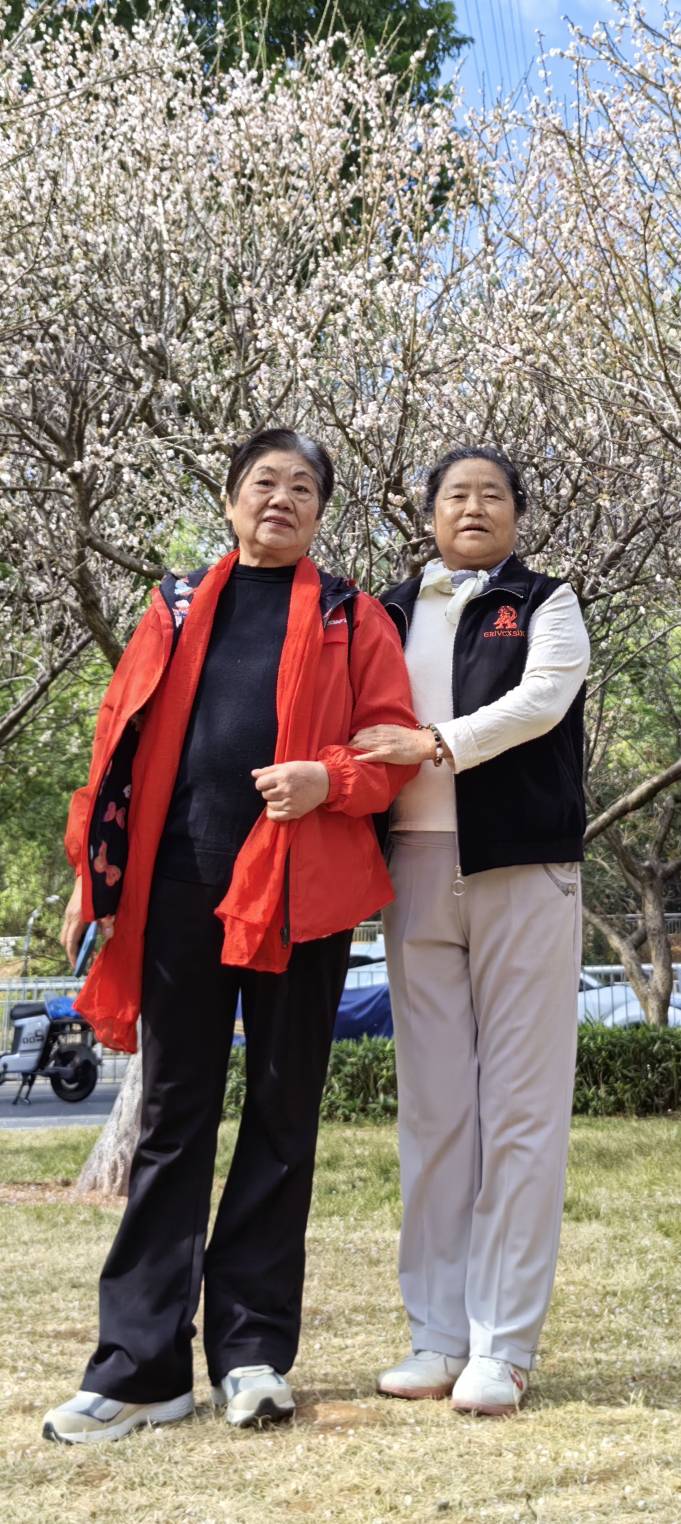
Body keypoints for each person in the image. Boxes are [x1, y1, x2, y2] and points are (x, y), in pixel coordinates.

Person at [44, 428, 418, 1444]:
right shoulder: (172, 605)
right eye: (264, 482)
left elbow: (392, 749)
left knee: (283, 1115)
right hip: (176, 891)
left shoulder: (350, 614)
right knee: (172, 1119)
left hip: (302, 894)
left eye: (302, 487)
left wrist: (327, 779)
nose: (281, 499)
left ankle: (252, 1355)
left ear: (321, 513)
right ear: (230, 499)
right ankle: (141, 1369)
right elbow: (116, 742)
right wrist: (91, 874)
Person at [351, 446, 590, 1416]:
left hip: (522, 869)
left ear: (517, 514)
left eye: (493, 494)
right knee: (436, 1112)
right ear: (429, 514)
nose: (474, 506)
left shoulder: (545, 602)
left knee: (522, 1115)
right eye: (456, 494)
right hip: (413, 872)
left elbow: (543, 700)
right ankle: (436, 1336)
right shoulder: (386, 610)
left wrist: (436, 743)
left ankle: (504, 1345)